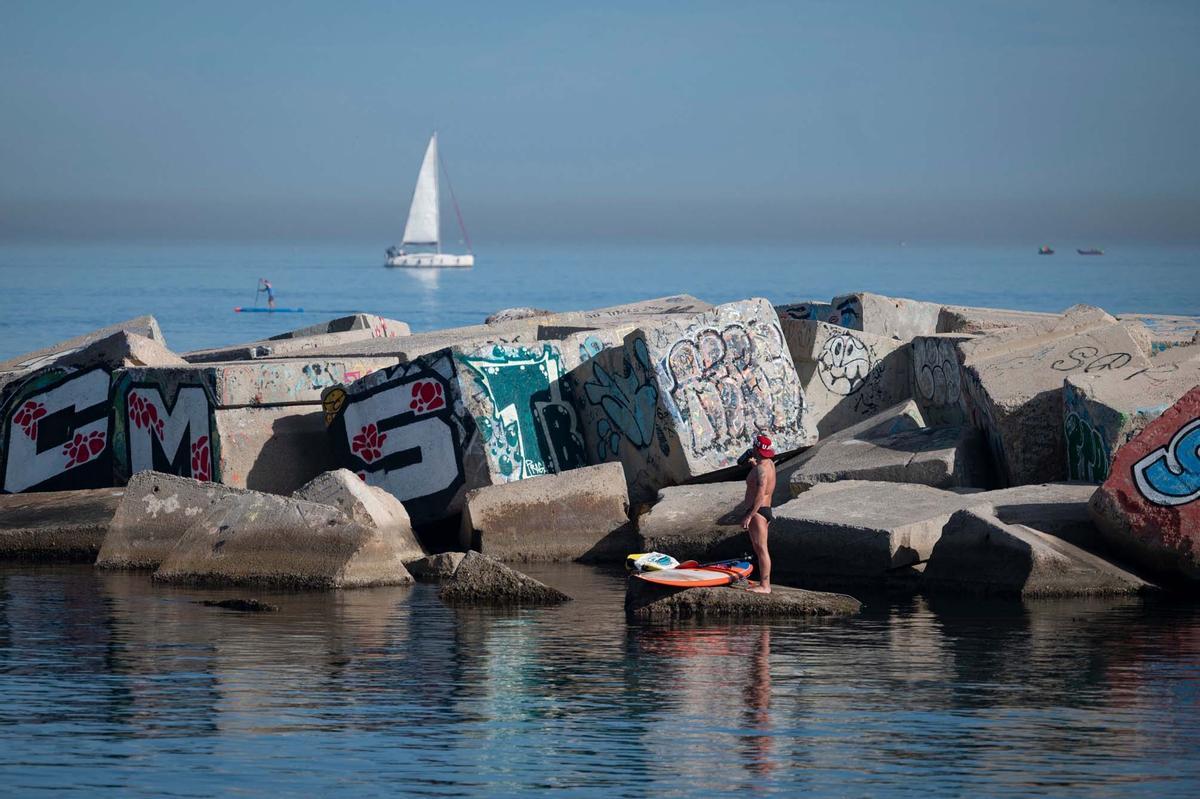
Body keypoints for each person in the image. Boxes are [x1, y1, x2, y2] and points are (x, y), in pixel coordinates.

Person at [739, 433, 776, 594]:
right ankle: (762, 582)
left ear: (756, 448)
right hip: (764, 511)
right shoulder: (768, 464)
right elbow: (763, 479)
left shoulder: (761, 469)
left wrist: (749, 515)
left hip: (758, 512)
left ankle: (765, 586)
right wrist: (754, 465)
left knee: (761, 549)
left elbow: (761, 494)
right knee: (758, 547)